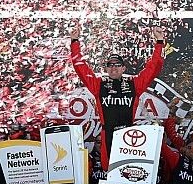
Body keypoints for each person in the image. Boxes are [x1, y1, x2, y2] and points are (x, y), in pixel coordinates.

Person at [69, 23, 166, 170]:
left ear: (123, 68)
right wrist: (74, 42)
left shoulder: (135, 84)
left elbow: (154, 67)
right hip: (107, 134)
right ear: (106, 68)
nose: (113, 67)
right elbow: (80, 67)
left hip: (128, 134)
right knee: (109, 170)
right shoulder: (98, 84)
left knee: (127, 170)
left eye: (117, 64)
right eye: (110, 65)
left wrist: (159, 42)